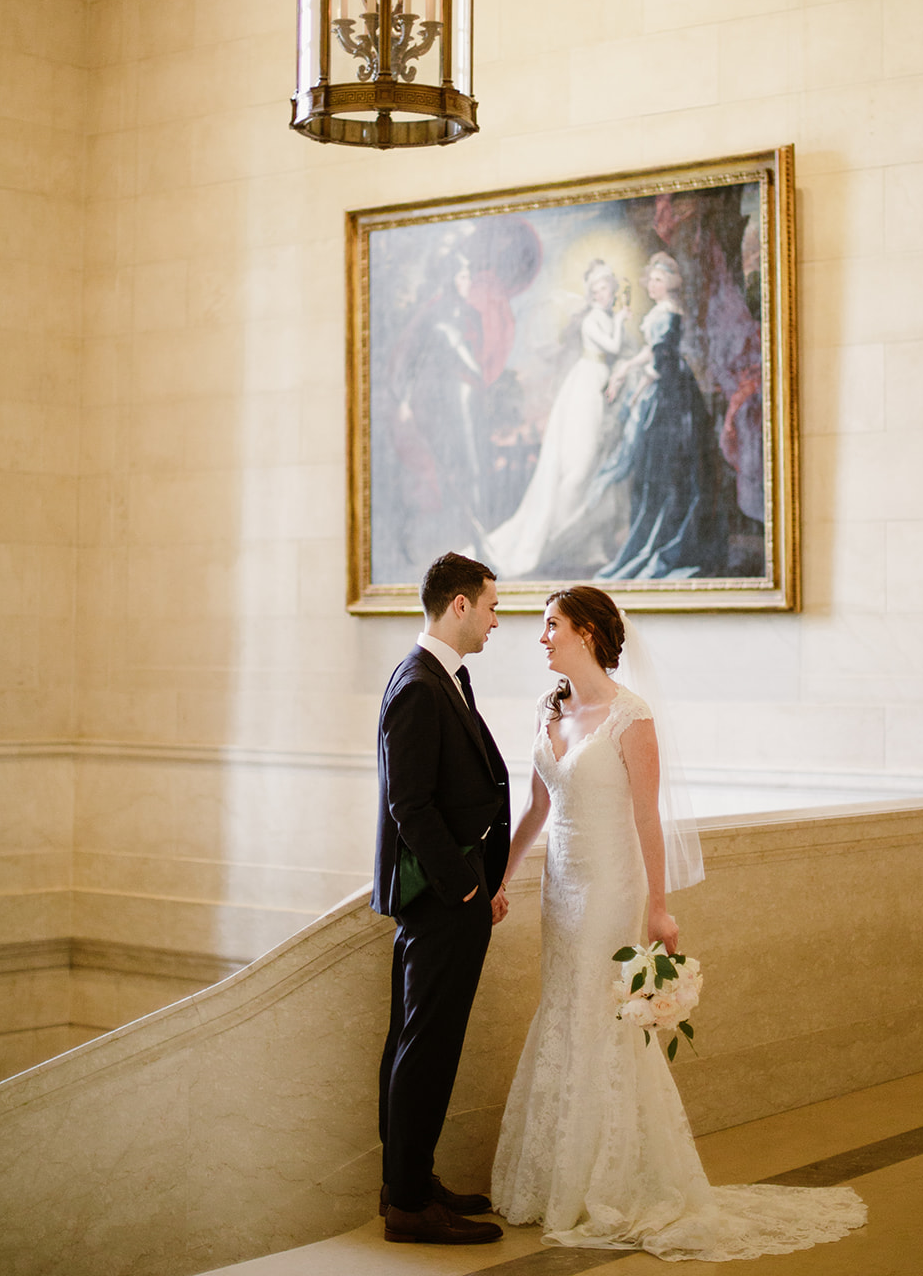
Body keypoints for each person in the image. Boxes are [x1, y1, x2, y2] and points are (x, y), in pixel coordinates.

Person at [491, 586, 867, 1260]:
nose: (540, 637)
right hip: (560, 887)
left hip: (611, 885)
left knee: (600, 1016)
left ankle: (611, 1181)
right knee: (563, 1011)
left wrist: (658, 905)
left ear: (585, 632)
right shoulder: (550, 710)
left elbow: (645, 820)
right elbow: (536, 808)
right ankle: (560, 1178)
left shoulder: (629, 717)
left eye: (550, 625)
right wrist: (500, 877)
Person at [372, 553, 511, 1245]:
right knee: (424, 1046)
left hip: (451, 894)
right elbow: (410, 806)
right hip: (438, 899)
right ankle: (405, 1203)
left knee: (419, 1042)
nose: (495, 620)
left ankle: (411, 1178)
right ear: (459, 605)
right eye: (490, 606)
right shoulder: (420, 686)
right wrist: (464, 887)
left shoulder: (441, 678)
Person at [486, 258, 629, 578]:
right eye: (595, 289)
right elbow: (614, 345)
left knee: (595, 467)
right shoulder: (593, 319)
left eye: (604, 288)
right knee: (579, 467)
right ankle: (554, 536)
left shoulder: (603, 315)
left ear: (612, 289)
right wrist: (621, 321)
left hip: (599, 385)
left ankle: (584, 543)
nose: (599, 294)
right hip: (585, 389)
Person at [596, 252, 728, 580]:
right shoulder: (662, 313)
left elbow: (663, 362)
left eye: (659, 279)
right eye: (651, 279)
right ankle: (660, 537)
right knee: (660, 473)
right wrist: (627, 367)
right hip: (673, 390)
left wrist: (639, 389)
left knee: (667, 472)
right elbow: (652, 352)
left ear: (671, 282)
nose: (652, 285)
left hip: (671, 398)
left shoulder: (668, 314)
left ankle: (665, 542)